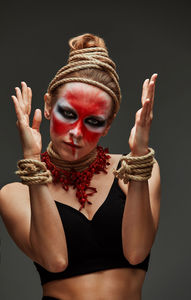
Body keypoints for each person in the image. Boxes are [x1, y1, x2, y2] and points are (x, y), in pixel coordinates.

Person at [0, 33, 161, 300]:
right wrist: (32, 158)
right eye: (69, 114)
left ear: (107, 126)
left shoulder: (134, 169)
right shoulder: (14, 194)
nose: (76, 132)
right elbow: (55, 261)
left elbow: (136, 252)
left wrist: (140, 154)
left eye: (94, 121)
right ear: (49, 105)